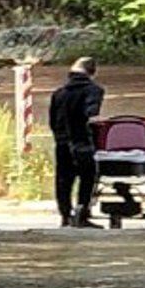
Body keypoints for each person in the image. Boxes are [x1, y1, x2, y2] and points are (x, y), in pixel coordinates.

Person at [49, 56, 105, 228]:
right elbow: (91, 112)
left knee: (63, 179)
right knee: (88, 177)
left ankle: (65, 216)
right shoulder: (94, 90)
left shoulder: (59, 93)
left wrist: (60, 136)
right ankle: (82, 214)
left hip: (62, 142)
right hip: (82, 140)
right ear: (92, 73)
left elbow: (52, 120)